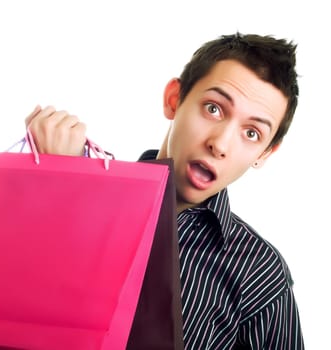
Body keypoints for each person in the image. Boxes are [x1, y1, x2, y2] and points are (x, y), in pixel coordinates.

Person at [25, 32, 305, 349]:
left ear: (265, 153)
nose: (221, 144)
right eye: (213, 108)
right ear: (175, 99)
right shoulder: (81, 202)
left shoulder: (260, 272)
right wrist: (55, 185)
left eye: (252, 133)